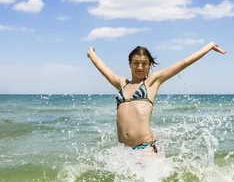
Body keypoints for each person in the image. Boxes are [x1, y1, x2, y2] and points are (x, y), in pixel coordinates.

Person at [87, 42, 226, 153]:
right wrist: (91, 53)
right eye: (135, 63)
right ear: (129, 64)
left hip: (145, 149)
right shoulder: (121, 83)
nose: (140, 67)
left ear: (149, 65)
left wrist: (208, 47)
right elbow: (103, 68)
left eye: (144, 63)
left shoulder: (152, 82)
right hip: (123, 152)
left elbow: (183, 63)